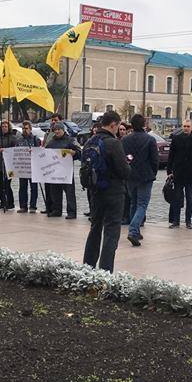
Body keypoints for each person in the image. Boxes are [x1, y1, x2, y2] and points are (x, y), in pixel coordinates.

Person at [82, 111, 132, 272]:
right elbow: (124, 171)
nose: (118, 129)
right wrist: (128, 164)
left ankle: (88, 267)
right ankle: (105, 271)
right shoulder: (113, 143)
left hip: (95, 191)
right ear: (113, 125)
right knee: (111, 231)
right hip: (114, 192)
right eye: (118, 126)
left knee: (95, 228)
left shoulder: (90, 141)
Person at [122, 113, 158, 246]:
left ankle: (135, 231)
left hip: (130, 176)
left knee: (133, 203)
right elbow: (155, 160)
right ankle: (133, 231)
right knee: (142, 205)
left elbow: (124, 158)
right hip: (145, 176)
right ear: (144, 124)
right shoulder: (150, 139)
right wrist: (153, 172)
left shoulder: (125, 140)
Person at [167, 119, 192, 229]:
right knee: (177, 198)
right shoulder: (176, 139)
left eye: (188, 126)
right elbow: (171, 156)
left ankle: (188, 221)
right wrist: (169, 171)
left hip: (190, 173)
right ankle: (176, 221)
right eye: (184, 126)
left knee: (190, 198)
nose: (186, 128)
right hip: (178, 172)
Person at [43, 121, 80, 218]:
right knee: (55, 192)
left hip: (66, 171)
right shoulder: (51, 142)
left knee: (69, 193)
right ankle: (56, 210)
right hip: (55, 171)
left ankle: (71, 212)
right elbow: (45, 153)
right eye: (55, 130)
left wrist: (74, 153)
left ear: (63, 130)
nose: (57, 131)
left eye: (59, 129)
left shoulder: (70, 140)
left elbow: (79, 152)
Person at [0, 119, 18, 211]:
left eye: (6, 126)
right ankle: (2, 202)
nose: (4, 128)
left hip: (8, 165)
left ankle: (10, 202)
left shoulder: (12, 138)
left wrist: (6, 150)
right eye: (2, 126)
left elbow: (15, 150)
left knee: (6, 185)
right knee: (0, 185)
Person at [16, 119, 41, 213]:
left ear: (30, 129)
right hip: (23, 167)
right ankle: (23, 206)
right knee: (22, 187)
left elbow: (40, 151)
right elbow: (15, 152)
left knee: (33, 188)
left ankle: (33, 206)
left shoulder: (35, 139)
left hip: (33, 167)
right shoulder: (19, 140)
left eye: (26, 128)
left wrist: (34, 151)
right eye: (23, 128)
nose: (24, 130)